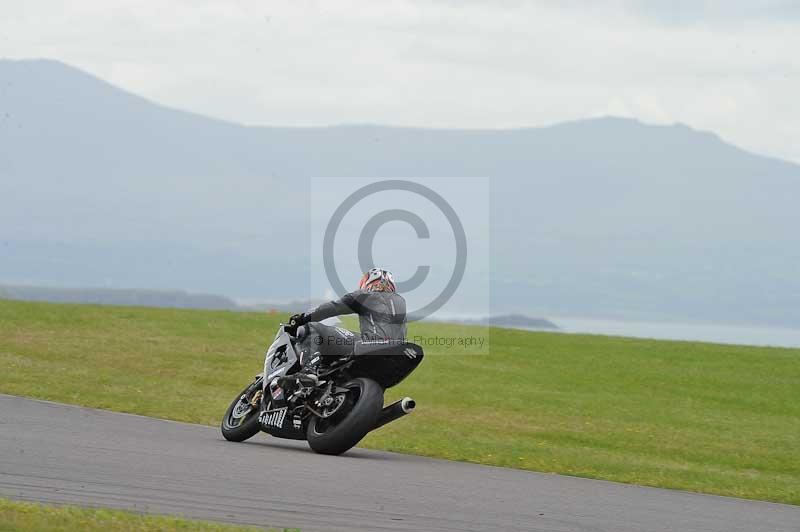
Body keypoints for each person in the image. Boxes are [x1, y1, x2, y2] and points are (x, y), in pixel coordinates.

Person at [287, 268, 407, 379]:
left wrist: (301, 318)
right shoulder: (400, 301)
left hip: (372, 346)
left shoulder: (365, 295)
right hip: (395, 354)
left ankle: (308, 371)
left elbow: (331, 308)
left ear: (369, 281)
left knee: (313, 327)